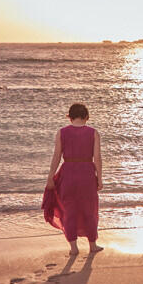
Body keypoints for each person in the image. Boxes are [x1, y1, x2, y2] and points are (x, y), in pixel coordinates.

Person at [42, 103, 104, 256]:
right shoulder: (93, 133)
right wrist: (100, 178)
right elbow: (97, 158)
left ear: (69, 117)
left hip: (68, 173)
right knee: (89, 210)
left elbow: (56, 156)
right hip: (87, 174)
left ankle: (74, 248)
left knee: (69, 211)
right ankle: (93, 245)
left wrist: (50, 176)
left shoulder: (62, 132)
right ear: (86, 117)